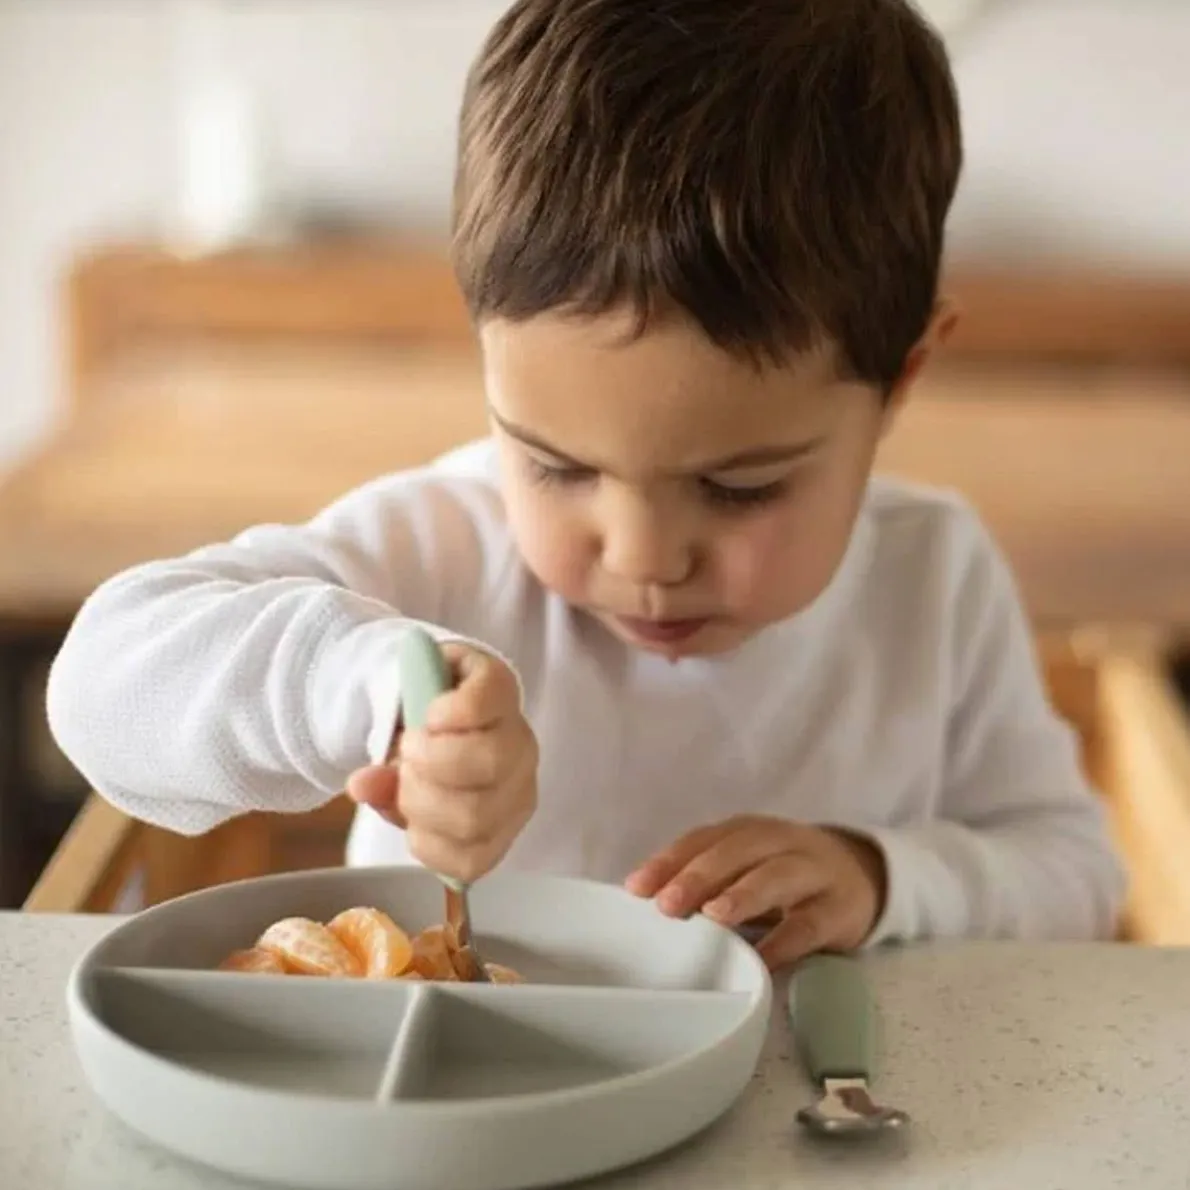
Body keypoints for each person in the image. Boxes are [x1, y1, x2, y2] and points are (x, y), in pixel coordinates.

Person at [46, 0, 1125, 967]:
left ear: (900, 380)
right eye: (554, 463)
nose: (643, 556)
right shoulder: (438, 549)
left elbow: (1076, 874)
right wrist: (372, 683)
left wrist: (882, 874)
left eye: (739, 486)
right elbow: (101, 685)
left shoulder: (932, 574)